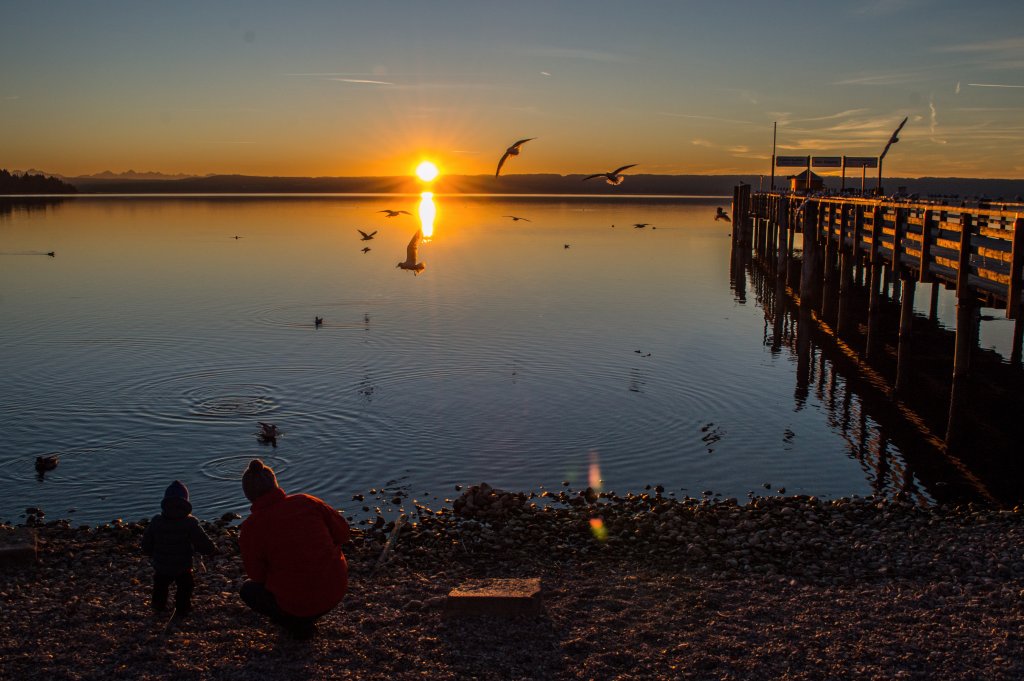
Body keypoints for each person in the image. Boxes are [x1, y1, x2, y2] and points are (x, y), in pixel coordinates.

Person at [238, 459, 350, 640]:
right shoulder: (307, 502)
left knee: (248, 591)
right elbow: (343, 534)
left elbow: (257, 576)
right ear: (275, 484)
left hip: (297, 603)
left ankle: (297, 624)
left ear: (248, 495)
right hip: (335, 590)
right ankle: (304, 612)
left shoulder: (250, 528)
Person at [141, 480, 216, 618]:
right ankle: (182, 607)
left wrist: (148, 552)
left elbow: (146, 543)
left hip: (161, 564)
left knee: (160, 585)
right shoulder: (190, 522)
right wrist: (211, 550)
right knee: (186, 585)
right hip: (183, 565)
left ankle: (158, 605)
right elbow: (202, 541)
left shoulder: (157, 521)